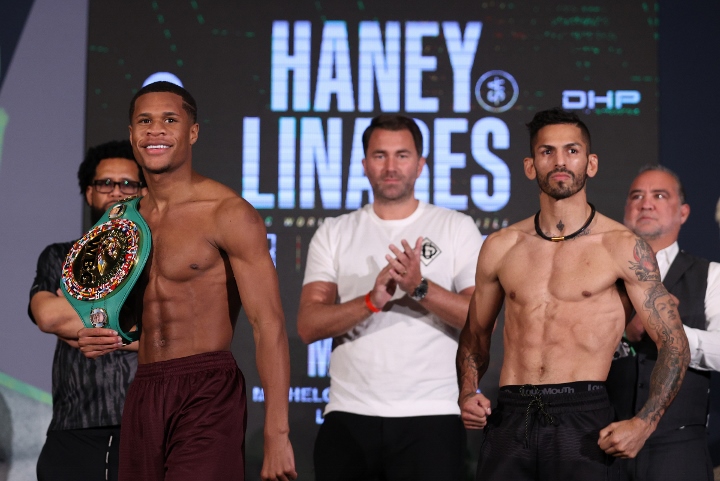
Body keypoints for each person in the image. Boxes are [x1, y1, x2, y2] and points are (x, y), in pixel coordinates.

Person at [77, 81, 296, 481]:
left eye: (169, 120)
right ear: (131, 135)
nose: (155, 130)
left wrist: (277, 432)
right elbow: (118, 313)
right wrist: (101, 334)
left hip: (206, 389)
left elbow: (269, 325)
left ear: (191, 132)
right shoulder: (120, 221)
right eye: (145, 121)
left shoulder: (227, 213)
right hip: (145, 389)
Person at [457, 108, 690, 481]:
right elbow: (475, 333)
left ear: (591, 163)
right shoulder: (501, 246)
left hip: (581, 418)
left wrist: (645, 424)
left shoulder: (623, 248)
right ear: (530, 166)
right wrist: (468, 391)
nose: (560, 161)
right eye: (547, 152)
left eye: (572, 150)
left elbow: (674, 343)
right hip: (510, 416)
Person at [297, 114, 484, 480]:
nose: (391, 166)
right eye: (380, 155)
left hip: (432, 415)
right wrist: (371, 300)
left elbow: (479, 317)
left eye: (402, 155)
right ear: (364, 164)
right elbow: (308, 325)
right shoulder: (334, 232)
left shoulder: (455, 227)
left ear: (421, 164)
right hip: (349, 415)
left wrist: (419, 288)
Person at [29, 140, 146, 481]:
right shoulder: (58, 255)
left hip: (141, 424)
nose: (117, 192)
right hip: (72, 426)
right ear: (89, 193)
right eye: (105, 183)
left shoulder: (154, 259)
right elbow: (48, 316)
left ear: (143, 192)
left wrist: (81, 323)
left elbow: (169, 331)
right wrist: (131, 328)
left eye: (128, 184)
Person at [606, 165, 720, 481]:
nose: (646, 204)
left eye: (659, 195)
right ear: (626, 210)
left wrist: (669, 331)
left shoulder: (711, 275)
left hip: (679, 453)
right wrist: (621, 331)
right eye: (636, 196)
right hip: (606, 449)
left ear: (683, 212)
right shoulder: (601, 278)